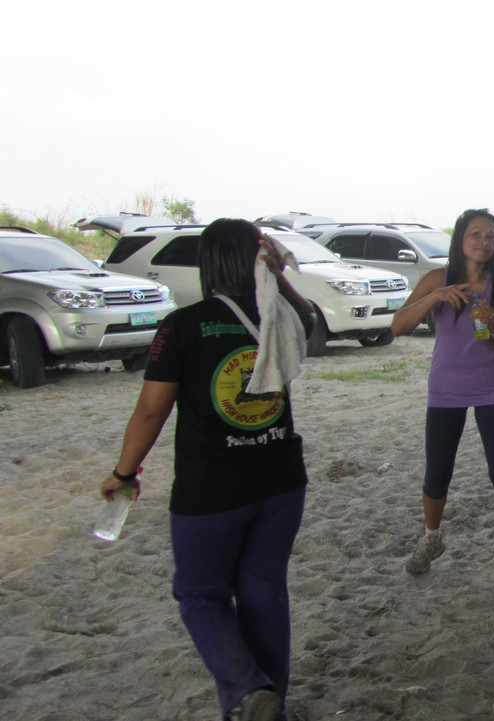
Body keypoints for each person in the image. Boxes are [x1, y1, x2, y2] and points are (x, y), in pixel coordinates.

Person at [100, 218, 314, 721]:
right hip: (280, 479)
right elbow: (306, 316)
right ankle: (270, 705)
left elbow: (151, 411)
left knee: (199, 593)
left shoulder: (184, 325)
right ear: (260, 259)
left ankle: (246, 690)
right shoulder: (280, 316)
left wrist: (124, 472)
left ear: (208, 263)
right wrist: (277, 275)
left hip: (211, 486)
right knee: (263, 591)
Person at [391, 208, 494, 590]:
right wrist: (436, 296)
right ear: (460, 239)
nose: (484, 242)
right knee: (437, 472)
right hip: (445, 388)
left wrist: (493, 326)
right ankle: (432, 538)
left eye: (491, 236)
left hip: (489, 387)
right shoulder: (435, 279)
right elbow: (397, 326)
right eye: (476, 234)